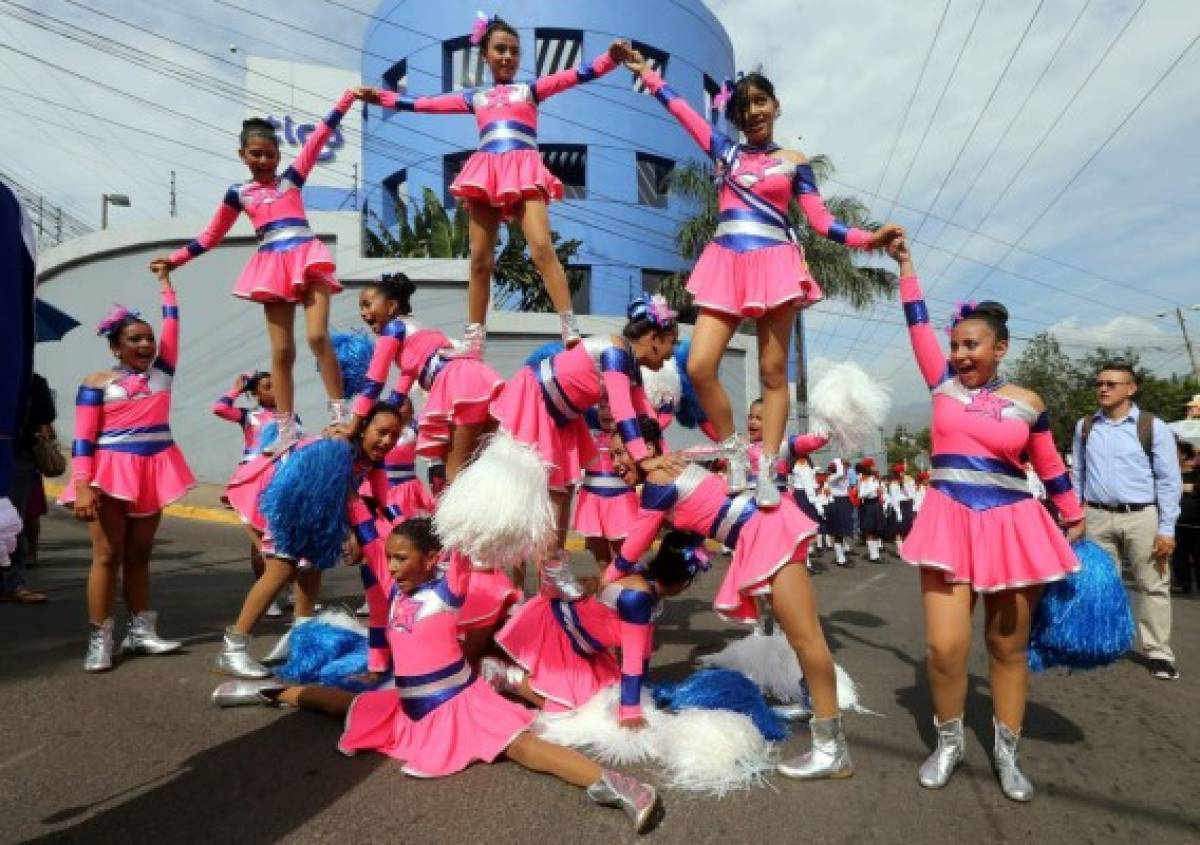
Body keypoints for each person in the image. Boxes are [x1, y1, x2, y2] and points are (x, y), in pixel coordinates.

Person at [211, 517, 662, 834]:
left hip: (457, 704)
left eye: (402, 559)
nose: (392, 568)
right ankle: (270, 691)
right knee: (336, 702)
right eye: (389, 558)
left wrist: (471, 512)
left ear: (431, 559)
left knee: (523, 747)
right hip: (409, 706)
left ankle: (621, 788)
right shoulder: (396, 589)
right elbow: (368, 535)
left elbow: (463, 549)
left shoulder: (448, 590)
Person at [624, 57, 902, 507]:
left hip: (776, 263)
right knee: (698, 365)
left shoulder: (795, 163)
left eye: (760, 101)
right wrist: (648, 74)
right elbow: (680, 109)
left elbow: (821, 221)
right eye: (744, 106)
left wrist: (869, 239)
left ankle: (769, 468)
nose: (752, 111)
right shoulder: (724, 152)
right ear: (735, 116)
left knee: (775, 374)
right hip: (727, 261)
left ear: (775, 106)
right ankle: (737, 452)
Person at [891, 238, 1084, 802]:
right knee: (946, 649)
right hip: (949, 521)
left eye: (971, 345)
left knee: (1007, 648)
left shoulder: (1029, 401)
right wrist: (905, 266)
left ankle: (1007, 753)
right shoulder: (940, 386)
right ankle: (949, 744)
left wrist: (1072, 515)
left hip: (1013, 525)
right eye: (954, 346)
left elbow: (1049, 467)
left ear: (1000, 348)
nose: (959, 355)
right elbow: (916, 323)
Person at [359, 17, 632, 355]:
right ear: (485, 56)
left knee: (542, 249)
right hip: (487, 171)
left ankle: (569, 329)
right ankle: (474, 343)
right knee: (480, 260)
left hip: (524, 167)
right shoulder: (477, 98)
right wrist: (382, 98)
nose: (507, 56)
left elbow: (576, 75)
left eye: (514, 51)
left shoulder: (528, 90)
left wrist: (612, 58)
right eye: (500, 49)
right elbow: (425, 103)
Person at [607, 417, 851, 781]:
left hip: (768, 530)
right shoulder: (669, 469)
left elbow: (636, 542)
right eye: (610, 455)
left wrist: (607, 578)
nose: (615, 463)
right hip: (761, 530)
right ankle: (813, 704)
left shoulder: (660, 478)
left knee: (805, 635)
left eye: (620, 452)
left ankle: (832, 750)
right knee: (796, 631)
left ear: (649, 449)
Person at [150, 89, 366, 452]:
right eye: (256, 154)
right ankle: (285, 429)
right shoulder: (239, 193)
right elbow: (211, 236)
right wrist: (174, 260)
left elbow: (321, 135)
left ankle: (339, 412)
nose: (264, 160)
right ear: (242, 155)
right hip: (272, 265)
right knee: (281, 352)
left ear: (279, 155)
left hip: (306, 255)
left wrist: (347, 100)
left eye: (270, 154)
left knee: (317, 337)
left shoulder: (292, 179)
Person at [62, 265, 195, 671]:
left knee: (140, 554)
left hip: (154, 467)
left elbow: (173, 327)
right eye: (135, 339)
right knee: (107, 554)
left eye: (149, 339)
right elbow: (83, 438)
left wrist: (166, 285)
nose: (146, 344)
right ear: (116, 347)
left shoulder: (163, 374)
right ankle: (100, 638)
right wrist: (83, 484)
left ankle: (140, 631)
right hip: (108, 473)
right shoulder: (96, 382)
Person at [215, 403, 400, 679]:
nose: (387, 441)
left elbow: (386, 501)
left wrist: (405, 527)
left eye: (394, 436)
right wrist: (359, 536)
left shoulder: (371, 458)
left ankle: (300, 640)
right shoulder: (339, 450)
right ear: (361, 428)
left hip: (313, 508)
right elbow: (351, 502)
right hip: (283, 502)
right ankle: (233, 649)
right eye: (382, 432)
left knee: (314, 565)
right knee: (282, 569)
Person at [485, 530, 705, 725]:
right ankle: (504, 674)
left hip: (585, 645)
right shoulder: (638, 596)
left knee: (603, 695)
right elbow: (633, 655)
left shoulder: (644, 580)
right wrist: (630, 711)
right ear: (683, 582)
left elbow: (641, 646)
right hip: (559, 631)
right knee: (570, 710)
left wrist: (641, 687)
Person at [1071, 361, 1183, 680]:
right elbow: (1077, 474)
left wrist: (1166, 528)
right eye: (1099, 383)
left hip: (1142, 517)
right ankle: (1108, 642)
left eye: (1111, 383)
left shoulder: (1152, 426)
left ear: (1131, 389)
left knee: (1153, 584)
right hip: (1095, 516)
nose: (1103, 388)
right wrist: (1075, 517)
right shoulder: (1085, 427)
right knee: (1102, 584)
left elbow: (1169, 480)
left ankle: (1159, 652)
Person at [342, 274, 504, 482]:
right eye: (361, 309)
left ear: (391, 306)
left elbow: (374, 380)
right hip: (476, 378)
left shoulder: (393, 329)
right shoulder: (415, 329)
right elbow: (399, 393)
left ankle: (457, 515)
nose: (363, 314)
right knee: (475, 468)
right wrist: (382, 419)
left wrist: (353, 426)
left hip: (460, 384)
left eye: (367, 305)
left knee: (454, 473)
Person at [213, 370, 288, 618]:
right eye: (268, 386)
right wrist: (236, 389)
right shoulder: (249, 416)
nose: (275, 389)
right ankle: (266, 594)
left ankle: (286, 590)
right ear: (255, 393)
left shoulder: (289, 415)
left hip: (282, 477)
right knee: (259, 537)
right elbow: (220, 408)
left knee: (286, 535)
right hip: (255, 479)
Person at [0, 179, 40, 604]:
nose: (143, 346)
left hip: (19, 451)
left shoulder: (7, 205)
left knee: (22, 518)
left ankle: (13, 579)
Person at [1, 372, 54, 604]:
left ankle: (11, 583)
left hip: (18, 456)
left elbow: (46, 415)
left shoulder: (32, 381)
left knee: (13, 521)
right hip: (17, 457)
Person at [1171, 441, 1199, 595]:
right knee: (1179, 556)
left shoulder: (1196, 473)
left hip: (1196, 523)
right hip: (1177, 522)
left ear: (1184, 455)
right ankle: (1183, 584)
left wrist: (1193, 488)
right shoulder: (1170, 474)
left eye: (1176, 452)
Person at [824, 459, 854, 567]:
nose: (846, 469)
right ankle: (840, 559)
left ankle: (842, 557)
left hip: (844, 502)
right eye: (844, 466)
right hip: (837, 503)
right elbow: (840, 473)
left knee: (843, 532)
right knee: (838, 532)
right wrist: (838, 461)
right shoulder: (832, 477)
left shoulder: (843, 478)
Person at [856, 462, 886, 563]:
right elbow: (861, 495)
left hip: (876, 504)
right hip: (868, 505)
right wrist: (873, 488)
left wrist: (880, 491)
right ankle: (873, 556)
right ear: (868, 468)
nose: (875, 468)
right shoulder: (863, 480)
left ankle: (876, 555)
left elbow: (879, 491)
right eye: (872, 466)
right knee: (869, 530)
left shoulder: (874, 479)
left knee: (876, 530)